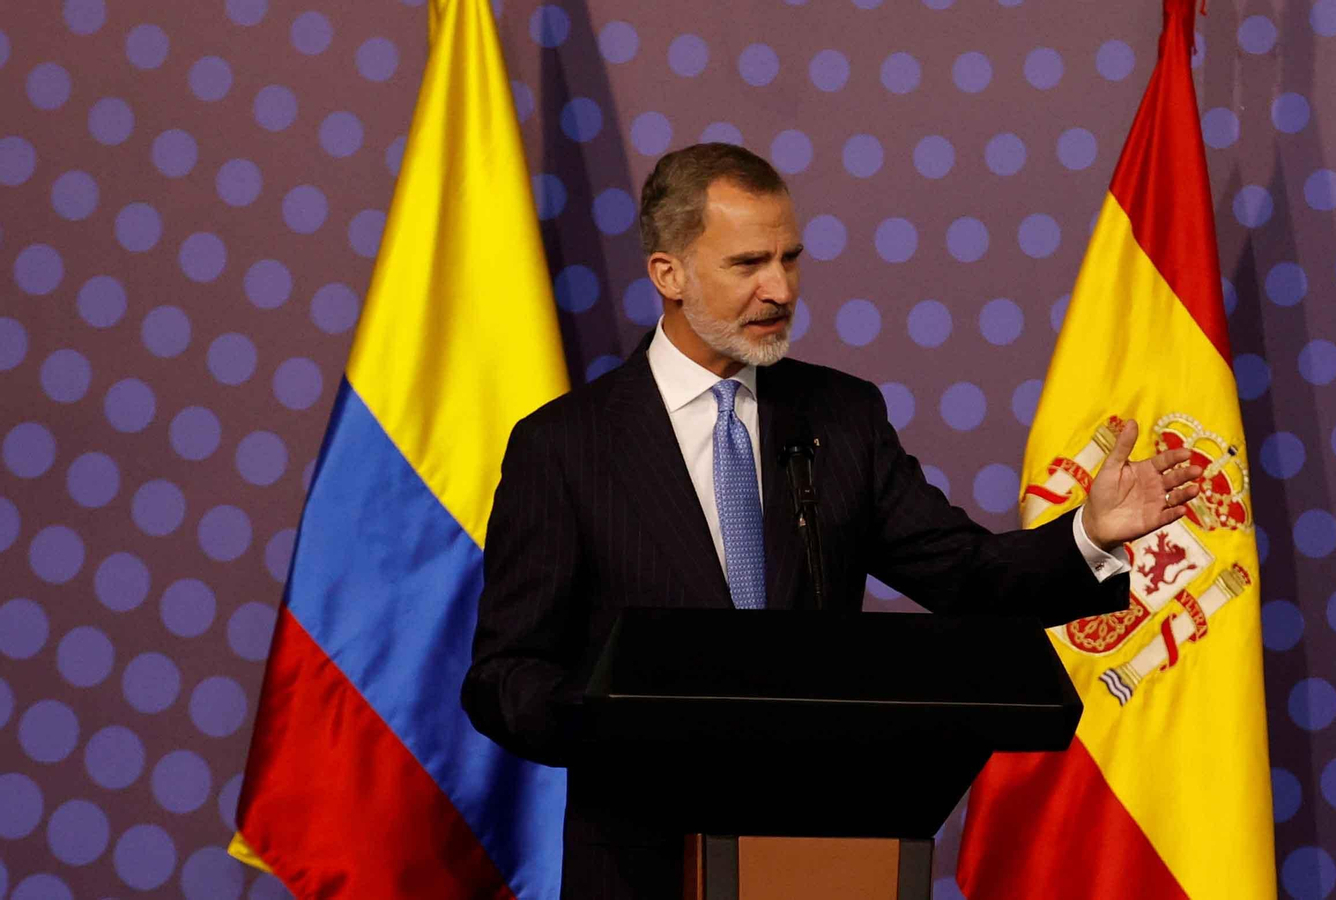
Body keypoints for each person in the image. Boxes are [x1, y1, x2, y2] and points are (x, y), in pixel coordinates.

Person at [461, 142, 1203, 899]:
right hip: (644, 862)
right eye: (748, 264)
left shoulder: (841, 418)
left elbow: (966, 575)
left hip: (820, 853)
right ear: (669, 274)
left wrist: (1090, 533)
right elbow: (505, 672)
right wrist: (610, 719)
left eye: (790, 258)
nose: (779, 289)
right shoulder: (565, 445)